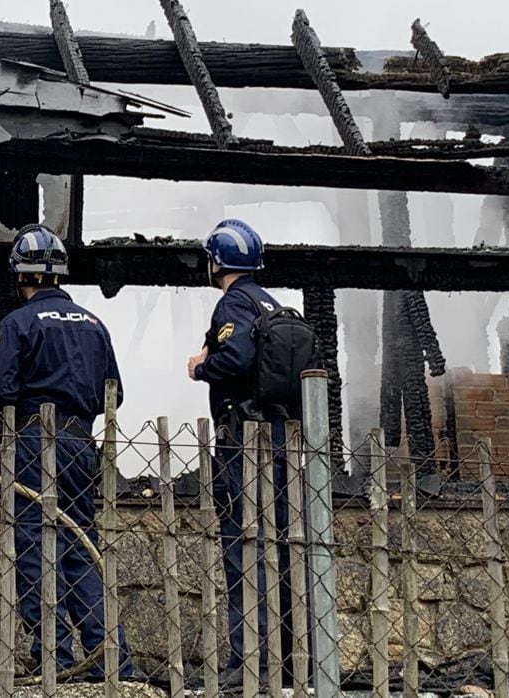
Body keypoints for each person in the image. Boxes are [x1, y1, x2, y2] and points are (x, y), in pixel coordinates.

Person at [0, 223, 136, 680]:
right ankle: (110, 660)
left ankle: (53, 658)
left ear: (19, 276)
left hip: (33, 440)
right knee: (79, 547)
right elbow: (116, 392)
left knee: (34, 542)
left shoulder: (19, 323)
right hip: (80, 444)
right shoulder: (94, 324)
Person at [187, 219, 298, 687]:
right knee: (285, 553)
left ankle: (249, 660)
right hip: (277, 441)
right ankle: (290, 660)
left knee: (243, 551)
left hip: (243, 442)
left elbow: (235, 360)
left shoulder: (233, 302)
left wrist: (200, 367)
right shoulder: (269, 300)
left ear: (216, 261)